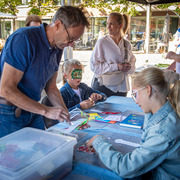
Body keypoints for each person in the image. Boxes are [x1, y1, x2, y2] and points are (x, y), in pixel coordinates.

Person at [0, 6, 89, 138]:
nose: (71, 44)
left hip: (34, 109)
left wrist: (67, 116)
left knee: (40, 153)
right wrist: (47, 111)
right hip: (10, 113)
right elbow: (6, 89)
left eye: (75, 41)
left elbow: (51, 87)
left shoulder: (57, 47)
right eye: (71, 38)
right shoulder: (24, 39)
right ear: (58, 24)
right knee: (15, 157)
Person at [87, 67, 180, 179]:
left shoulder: (162, 130)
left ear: (148, 90)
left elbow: (125, 167)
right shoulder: (164, 112)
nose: (136, 101)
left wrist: (98, 141)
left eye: (135, 94)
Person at [90, 12, 136, 97]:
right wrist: (116, 67)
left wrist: (129, 67)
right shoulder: (102, 42)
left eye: (111, 24)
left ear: (120, 25)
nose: (108, 27)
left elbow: (132, 68)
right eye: (107, 23)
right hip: (103, 88)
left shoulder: (126, 44)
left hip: (122, 89)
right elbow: (94, 66)